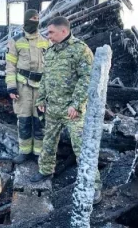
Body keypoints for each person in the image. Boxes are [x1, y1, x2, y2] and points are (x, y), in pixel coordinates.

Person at [29, 16, 102, 205]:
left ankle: (93, 186)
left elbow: (87, 78)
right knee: (48, 141)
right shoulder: (51, 51)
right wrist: (42, 98)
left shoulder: (80, 50)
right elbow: (46, 78)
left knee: (81, 147)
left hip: (72, 111)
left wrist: (76, 104)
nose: (48, 36)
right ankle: (45, 171)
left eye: (51, 32)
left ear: (63, 31)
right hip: (53, 107)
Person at [5, 9, 50, 164]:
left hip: (41, 89)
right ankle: (24, 152)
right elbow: (10, 66)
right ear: (25, 20)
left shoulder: (45, 41)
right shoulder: (16, 41)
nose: (35, 20)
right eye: (32, 18)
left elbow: (51, 66)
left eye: (37, 18)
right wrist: (11, 87)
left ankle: (38, 153)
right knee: (24, 121)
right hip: (22, 88)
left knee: (39, 121)